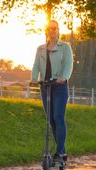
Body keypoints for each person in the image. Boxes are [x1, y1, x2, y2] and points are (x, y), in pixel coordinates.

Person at [30, 20, 73, 162]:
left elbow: (68, 64)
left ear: (58, 30)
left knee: (58, 117)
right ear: (46, 31)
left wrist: (64, 77)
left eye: (54, 28)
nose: (52, 31)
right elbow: (36, 65)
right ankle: (62, 151)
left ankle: (59, 153)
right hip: (45, 86)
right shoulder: (40, 49)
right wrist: (34, 78)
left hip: (59, 87)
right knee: (51, 120)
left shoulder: (65, 47)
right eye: (49, 29)